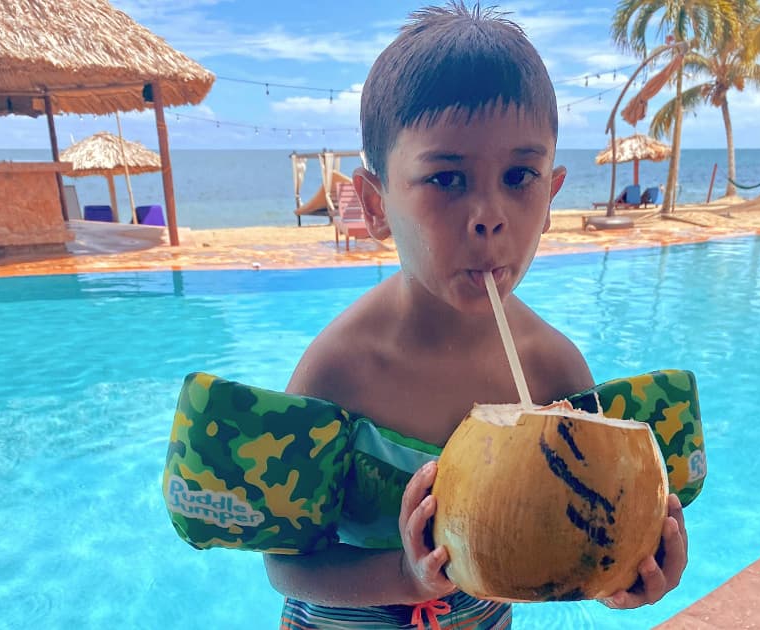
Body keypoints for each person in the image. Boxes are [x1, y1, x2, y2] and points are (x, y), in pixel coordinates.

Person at [265, 2, 688, 627]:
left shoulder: (553, 371)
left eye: (520, 175)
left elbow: (581, 538)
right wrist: (405, 577)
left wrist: (623, 573)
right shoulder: (341, 370)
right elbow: (284, 564)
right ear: (375, 204)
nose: (489, 213)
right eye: (446, 178)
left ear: (550, 195)